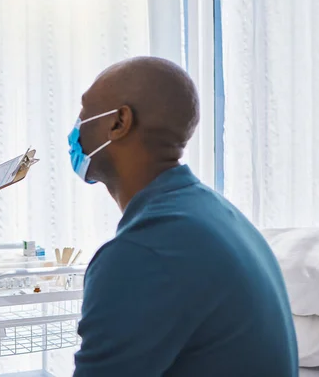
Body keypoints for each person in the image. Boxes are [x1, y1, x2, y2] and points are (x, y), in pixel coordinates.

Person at [70, 57, 298, 376]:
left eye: (84, 112)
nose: (77, 127)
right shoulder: (215, 213)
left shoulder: (143, 252)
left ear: (119, 122)